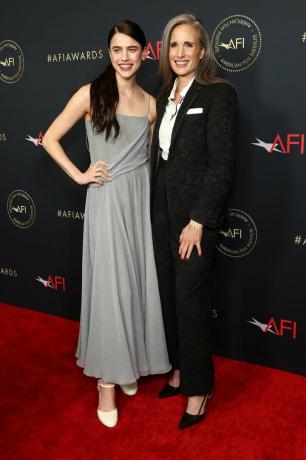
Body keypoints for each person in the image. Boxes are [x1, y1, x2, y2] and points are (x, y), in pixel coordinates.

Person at [42, 20, 170, 428]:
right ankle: (106, 383)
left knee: (134, 281)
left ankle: (128, 362)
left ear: (144, 52)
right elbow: (49, 138)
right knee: (111, 286)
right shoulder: (90, 94)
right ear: (109, 53)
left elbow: (150, 158)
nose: (125, 57)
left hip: (138, 201)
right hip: (107, 198)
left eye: (133, 49)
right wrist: (80, 175)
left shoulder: (151, 103)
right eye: (118, 49)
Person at [150, 14, 239, 429]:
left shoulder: (219, 95)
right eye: (174, 45)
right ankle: (181, 370)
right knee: (168, 296)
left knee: (190, 300)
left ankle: (200, 389)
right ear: (166, 51)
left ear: (202, 50)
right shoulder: (164, 91)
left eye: (189, 45)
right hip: (161, 211)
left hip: (194, 220)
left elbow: (221, 166)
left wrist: (199, 220)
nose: (181, 53)